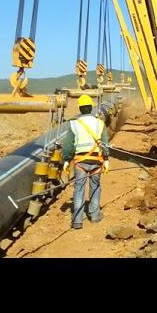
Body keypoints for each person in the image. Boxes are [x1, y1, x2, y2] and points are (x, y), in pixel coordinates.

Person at [62, 94, 110, 229]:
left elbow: (68, 145)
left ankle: (77, 220)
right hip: (96, 161)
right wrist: (106, 159)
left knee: (79, 190)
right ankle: (94, 216)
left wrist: (66, 160)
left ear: (80, 108)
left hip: (80, 163)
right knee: (95, 187)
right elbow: (105, 143)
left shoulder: (74, 124)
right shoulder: (100, 123)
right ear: (90, 108)